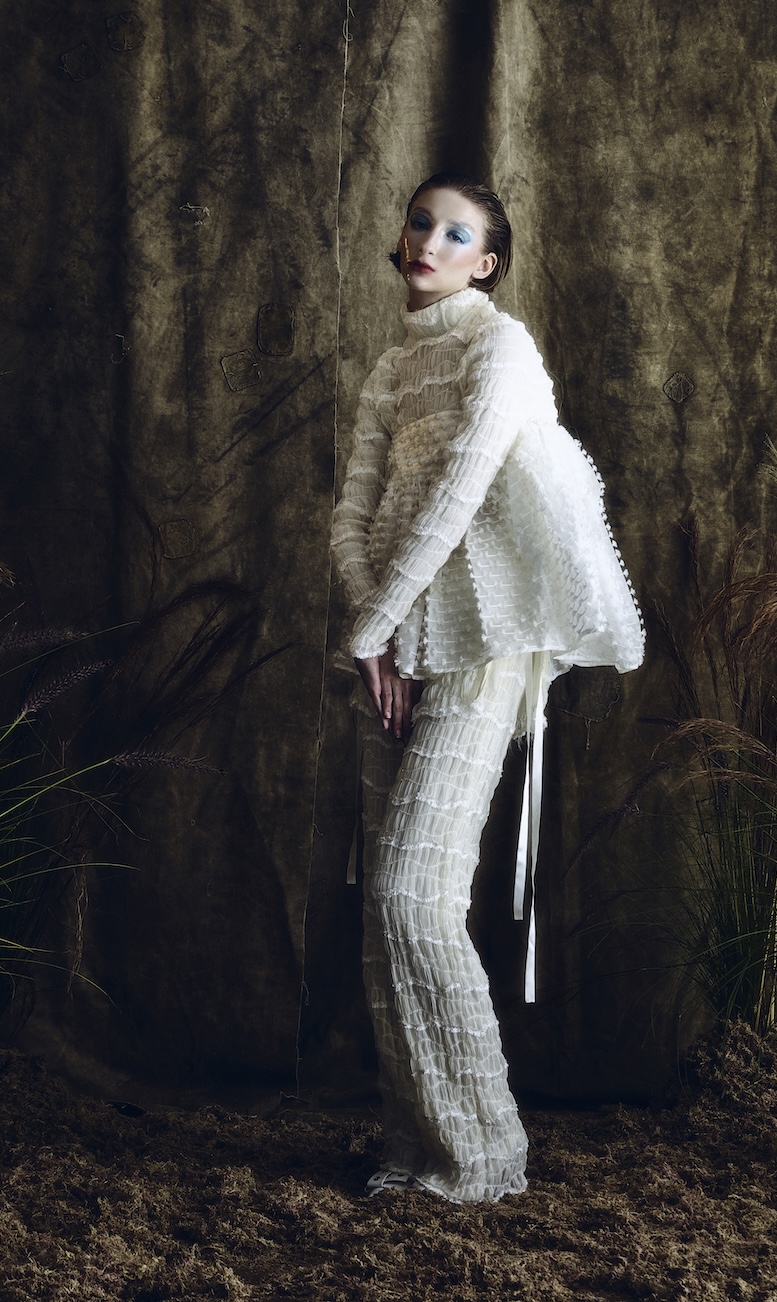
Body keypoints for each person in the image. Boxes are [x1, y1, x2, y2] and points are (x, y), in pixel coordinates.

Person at [330, 174, 643, 1204]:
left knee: (413, 894)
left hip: (483, 643)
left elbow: (459, 494)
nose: (429, 240)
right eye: (420, 222)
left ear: (488, 262)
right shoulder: (391, 368)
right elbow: (353, 515)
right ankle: (412, 1148)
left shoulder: (500, 349)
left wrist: (372, 631)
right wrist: (375, 640)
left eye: (456, 233)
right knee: (382, 925)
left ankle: (483, 1156)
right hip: (390, 649)